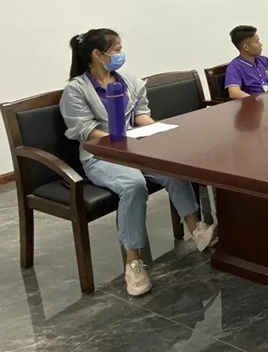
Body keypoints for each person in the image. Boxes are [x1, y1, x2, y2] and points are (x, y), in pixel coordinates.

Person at [59, 29, 217, 297]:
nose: (121, 55)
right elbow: (85, 130)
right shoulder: (76, 90)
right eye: (117, 50)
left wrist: (158, 130)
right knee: (133, 185)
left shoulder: (130, 81)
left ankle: (196, 229)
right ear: (97, 54)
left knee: (173, 167)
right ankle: (133, 261)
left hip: (135, 148)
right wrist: (118, 139)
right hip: (100, 156)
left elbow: (141, 114)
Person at [224, 25, 268, 99]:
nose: (261, 45)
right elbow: (234, 93)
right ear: (246, 47)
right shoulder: (234, 67)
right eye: (257, 42)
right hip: (254, 103)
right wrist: (256, 100)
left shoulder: (264, 60)